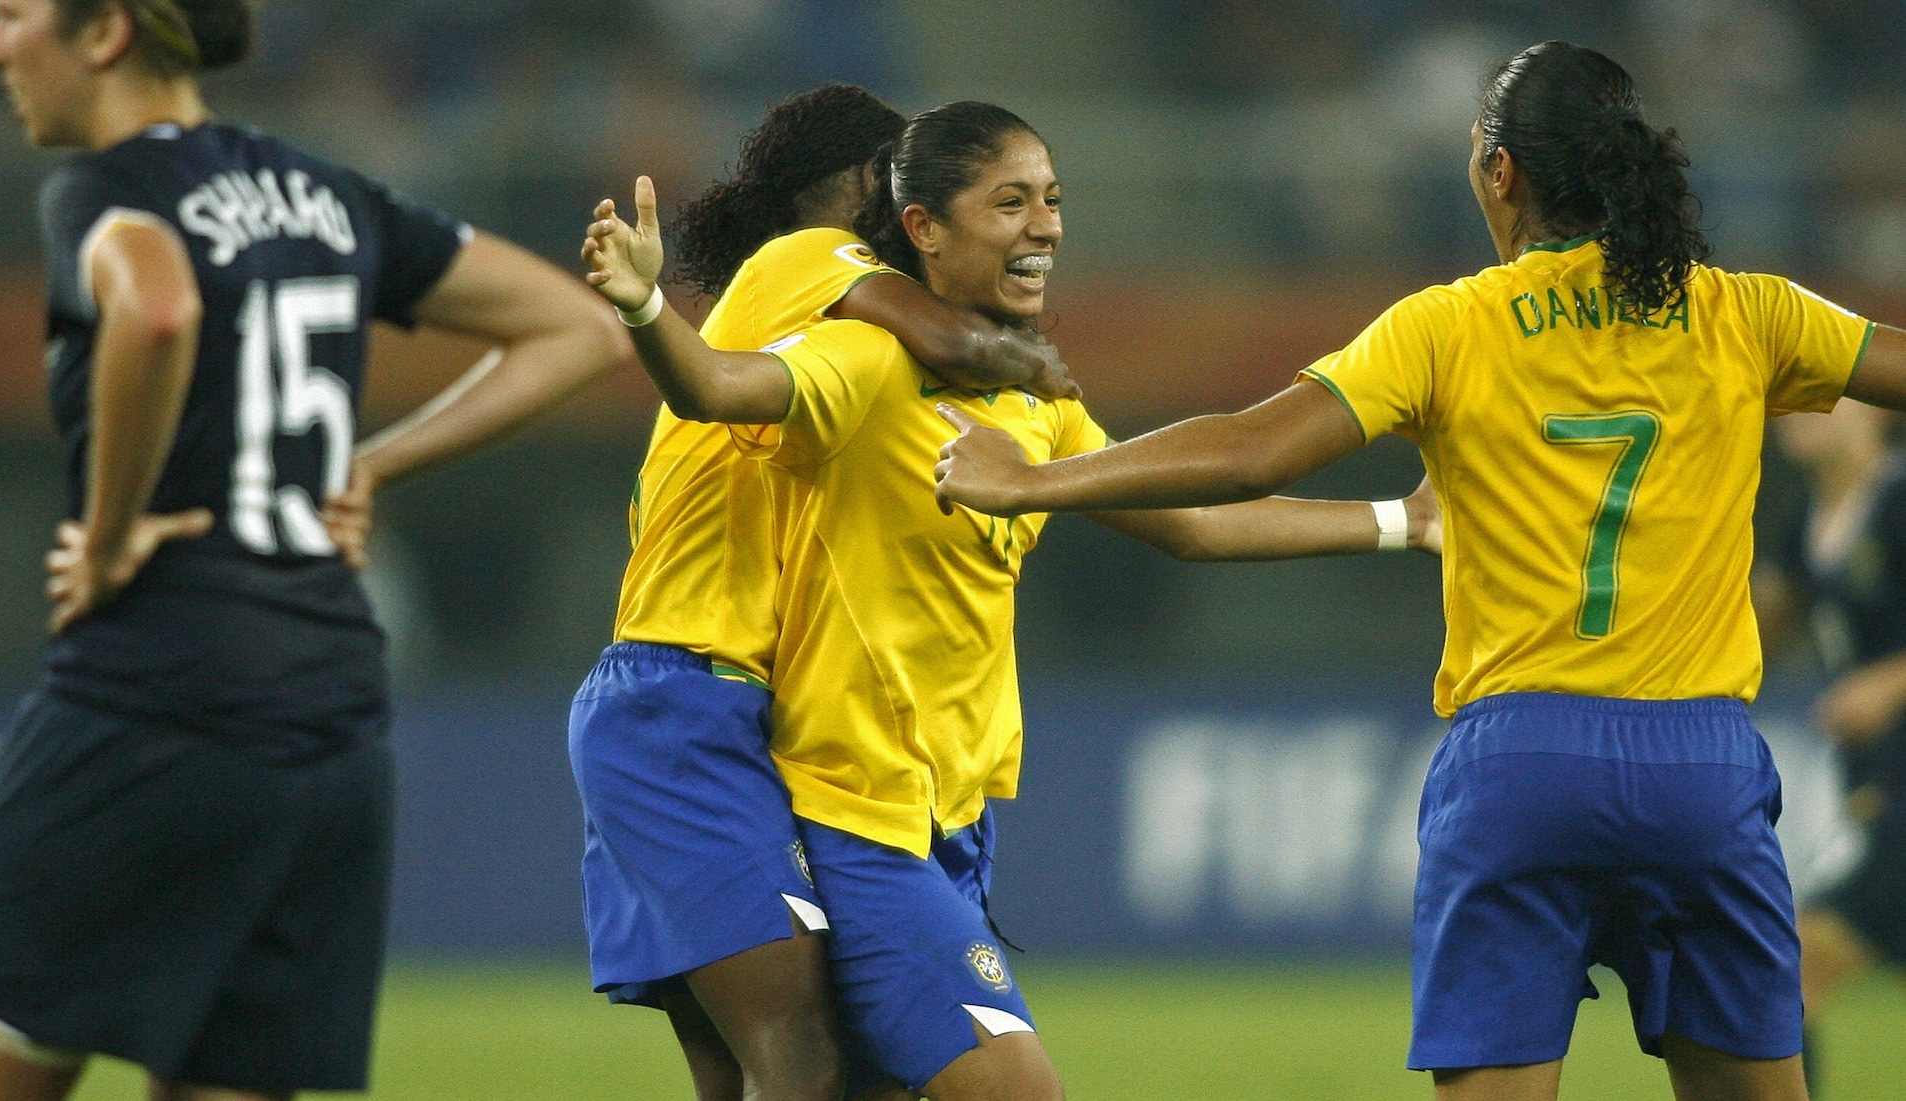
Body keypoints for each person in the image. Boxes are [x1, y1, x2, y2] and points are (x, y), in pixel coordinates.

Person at [933, 41, 1906, 1101]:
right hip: (1700, 765)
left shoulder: (1450, 325)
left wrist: (1030, 479)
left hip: (1520, 762)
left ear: (1500, 175)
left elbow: (1248, 448)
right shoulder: (1744, 313)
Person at [584, 100, 1439, 1101]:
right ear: (918, 225)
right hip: (849, 802)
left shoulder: (1040, 412)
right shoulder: (862, 356)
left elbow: (1193, 522)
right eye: (1009, 202)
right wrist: (645, 312)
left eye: (1052, 200)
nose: (1045, 224)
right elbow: (726, 388)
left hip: (945, 819)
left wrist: (1402, 522)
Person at [0, 2, 632, 1099]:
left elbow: (159, 308)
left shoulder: (108, 189)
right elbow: (581, 329)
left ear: (107, 32)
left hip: (149, 700)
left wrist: (114, 533)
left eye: (13, 16)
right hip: (329, 725)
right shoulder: (326, 195)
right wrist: (369, 465)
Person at [562, 83, 1085, 1101]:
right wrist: (1023, 359)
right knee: (803, 1060)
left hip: (728, 702)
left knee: (765, 1073)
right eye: (903, 185)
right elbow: (942, 338)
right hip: (686, 694)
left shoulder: (793, 311)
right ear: (866, 188)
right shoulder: (812, 258)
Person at [1752, 399, 1906, 1097]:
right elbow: (1751, 636)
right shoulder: (1804, 522)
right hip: (1874, 788)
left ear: (1879, 413)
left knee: (1781, 978)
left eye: (1828, 389)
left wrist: (1889, 681)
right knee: (1776, 981)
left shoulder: (1899, 500)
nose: (1801, 405)